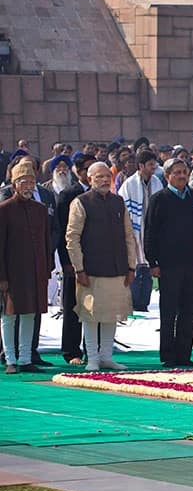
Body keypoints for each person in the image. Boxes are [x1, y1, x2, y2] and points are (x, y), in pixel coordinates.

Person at [65, 162, 135, 371]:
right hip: (90, 270)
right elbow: (72, 238)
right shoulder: (81, 202)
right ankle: (93, 358)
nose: (105, 180)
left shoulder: (118, 201)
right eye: (99, 177)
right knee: (91, 315)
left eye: (107, 176)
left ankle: (106, 356)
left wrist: (131, 266)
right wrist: (79, 268)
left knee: (111, 313)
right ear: (90, 179)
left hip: (117, 268)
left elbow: (128, 236)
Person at [144, 158, 193, 368]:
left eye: (184, 172)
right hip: (168, 264)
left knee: (190, 310)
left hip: (192, 263)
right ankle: (168, 355)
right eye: (177, 172)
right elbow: (150, 232)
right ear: (167, 175)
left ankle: (184, 354)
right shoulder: (159, 199)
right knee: (169, 311)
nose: (182, 176)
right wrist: (152, 261)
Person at [0, 160, 53, 374]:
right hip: (12, 273)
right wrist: (1, 277)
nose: (28, 186)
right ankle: (10, 359)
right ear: (14, 185)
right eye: (24, 182)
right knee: (9, 316)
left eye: (31, 182)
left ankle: (25, 358)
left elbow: (46, 241)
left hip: (35, 271)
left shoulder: (40, 210)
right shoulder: (4, 209)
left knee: (30, 313)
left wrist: (46, 268)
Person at [55, 152, 96, 365]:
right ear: (79, 172)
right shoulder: (68, 195)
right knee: (73, 305)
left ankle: (94, 349)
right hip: (74, 260)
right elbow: (62, 232)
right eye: (88, 170)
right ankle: (71, 351)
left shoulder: (102, 195)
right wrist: (66, 262)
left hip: (96, 260)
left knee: (94, 306)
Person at [118, 150, 162, 312]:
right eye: (150, 165)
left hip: (152, 231)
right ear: (141, 166)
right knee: (136, 266)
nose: (153, 168)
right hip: (135, 230)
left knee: (149, 266)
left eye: (154, 165)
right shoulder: (129, 185)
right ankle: (135, 302)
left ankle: (144, 302)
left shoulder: (157, 182)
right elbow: (124, 209)